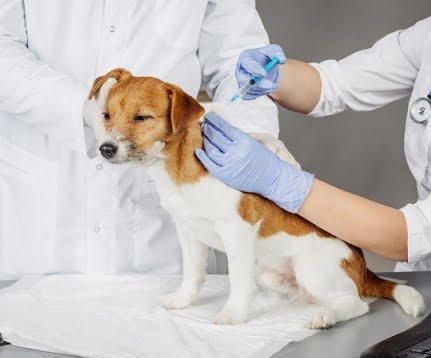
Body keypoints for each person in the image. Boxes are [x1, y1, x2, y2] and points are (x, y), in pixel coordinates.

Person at [0, 0, 279, 279]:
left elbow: (237, 63)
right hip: (39, 225)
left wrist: (252, 134)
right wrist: (79, 107)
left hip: (161, 240)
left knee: (170, 307)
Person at [195, 1, 431, 271]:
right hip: (429, 271)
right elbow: (333, 84)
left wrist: (280, 181)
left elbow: (412, 234)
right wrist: (277, 77)